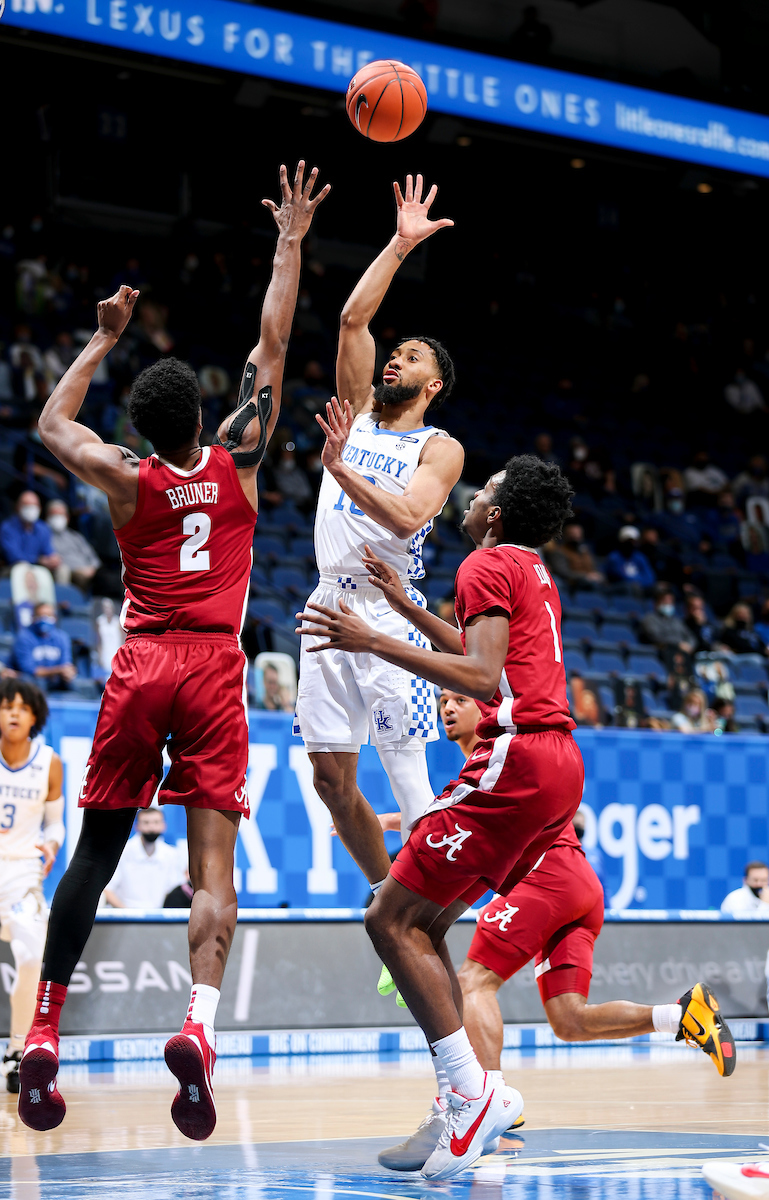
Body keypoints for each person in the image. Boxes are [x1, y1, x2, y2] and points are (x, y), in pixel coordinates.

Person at [16, 160, 329, 1140]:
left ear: (143, 428)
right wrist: (288, 244)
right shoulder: (238, 458)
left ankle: (42, 1031)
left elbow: (49, 422)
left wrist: (102, 338)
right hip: (209, 673)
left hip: (140, 664)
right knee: (212, 870)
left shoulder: (122, 476)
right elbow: (272, 343)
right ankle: (196, 1024)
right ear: (203, 413)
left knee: (94, 857)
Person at [298, 455, 583, 1179]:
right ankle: (465, 1093)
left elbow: (482, 679)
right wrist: (404, 613)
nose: (470, 496)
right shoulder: (527, 566)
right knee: (423, 923)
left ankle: (469, 1092)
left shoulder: (483, 564)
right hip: (555, 764)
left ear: (496, 513)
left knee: (386, 918)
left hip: (513, 760)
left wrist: (372, 641)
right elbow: (485, 653)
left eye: (483, 490)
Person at [293, 172, 464, 890]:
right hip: (328, 602)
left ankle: (425, 918)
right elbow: (351, 324)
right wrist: (397, 245)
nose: (395, 357)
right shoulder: (358, 411)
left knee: (405, 776)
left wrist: (340, 467)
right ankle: (384, 896)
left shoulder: (438, 446)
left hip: (390, 610)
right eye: (397, 353)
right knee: (330, 780)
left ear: (432, 385)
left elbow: (405, 515)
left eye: (412, 358)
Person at [0, 679, 64, 1095]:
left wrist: (52, 843)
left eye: (22, 707)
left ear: (35, 716)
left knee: (30, 956)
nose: (14, 713)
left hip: (23, 876)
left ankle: (17, 1052)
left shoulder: (50, 762)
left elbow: (55, 822)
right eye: (7, 706)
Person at [103, 808, 184, 909]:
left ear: (164, 826)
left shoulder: (172, 855)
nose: (151, 827)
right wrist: (126, 914)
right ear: (137, 826)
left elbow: (174, 889)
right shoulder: (122, 852)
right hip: (124, 917)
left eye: (156, 822)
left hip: (160, 918)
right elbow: (108, 889)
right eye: (146, 822)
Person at [14, 602, 76, 692]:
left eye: (48, 615)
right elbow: (29, 670)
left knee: (73, 684)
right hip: (31, 681)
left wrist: (68, 673)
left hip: (55, 680)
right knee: (36, 682)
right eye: (40, 615)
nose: (44, 619)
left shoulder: (62, 637)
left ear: (55, 618)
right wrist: (57, 671)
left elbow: (66, 663)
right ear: (33, 617)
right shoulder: (24, 637)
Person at [45, 499, 101, 590]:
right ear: (47, 516)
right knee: (69, 573)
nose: (58, 518)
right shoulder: (45, 536)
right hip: (70, 570)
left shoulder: (76, 536)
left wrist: (92, 569)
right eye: (55, 515)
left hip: (88, 570)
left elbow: (93, 558)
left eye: (61, 515)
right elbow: (53, 560)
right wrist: (81, 570)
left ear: (67, 518)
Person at [0, 492, 60, 571]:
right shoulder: (7, 528)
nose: (31, 509)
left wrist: (53, 559)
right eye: (27, 506)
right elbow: (13, 557)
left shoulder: (43, 528)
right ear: (18, 507)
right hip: (13, 568)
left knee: (61, 570)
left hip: (39, 568)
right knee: (22, 568)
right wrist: (38, 560)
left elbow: (48, 551)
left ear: (39, 508)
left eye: (34, 506)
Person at [544, 522, 604, 586]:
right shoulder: (559, 551)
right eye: (573, 534)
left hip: (594, 582)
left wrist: (598, 575)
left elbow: (594, 567)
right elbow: (563, 572)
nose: (576, 537)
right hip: (575, 584)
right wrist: (585, 576)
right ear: (566, 535)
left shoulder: (585, 551)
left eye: (579, 534)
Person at [640, 585, 695, 654]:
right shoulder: (649, 619)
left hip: (682, 654)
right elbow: (656, 637)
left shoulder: (677, 621)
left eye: (670, 601)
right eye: (665, 601)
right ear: (656, 603)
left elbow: (690, 636)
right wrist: (678, 644)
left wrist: (689, 645)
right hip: (662, 654)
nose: (668, 603)